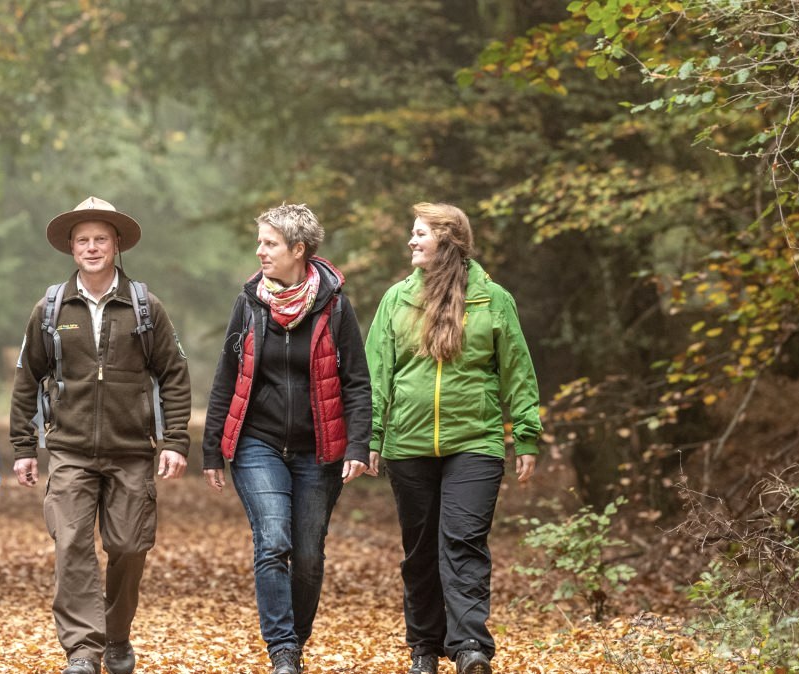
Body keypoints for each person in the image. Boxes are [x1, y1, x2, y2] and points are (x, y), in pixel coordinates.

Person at [9, 196, 192, 674]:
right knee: (71, 543)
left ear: (116, 246)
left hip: (132, 450)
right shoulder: (51, 308)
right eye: (83, 240)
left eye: (101, 239)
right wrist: (25, 449)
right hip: (69, 450)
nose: (92, 248)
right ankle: (83, 651)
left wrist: (175, 440)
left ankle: (116, 635)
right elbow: (27, 378)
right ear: (71, 247)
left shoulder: (144, 306)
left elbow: (173, 374)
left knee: (130, 546)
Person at [364, 202, 544, 674]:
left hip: (476, 443)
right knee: (420, 549)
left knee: (463, 541)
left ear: (448, 240)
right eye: (413, 232)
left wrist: (525, 435)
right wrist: (372, 436)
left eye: (420, 233)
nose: (411, 240)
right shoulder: (397, 300)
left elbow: (517, 372)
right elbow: (377, 374)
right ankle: (424, 646)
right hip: (409, 444)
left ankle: (470, 648)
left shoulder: (493, 300)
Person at [201, 204, 373, 674]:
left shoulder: (334, 305)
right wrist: (213, 447)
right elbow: (226, 376)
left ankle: (296, 639)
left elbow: (357, 380)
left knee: (309, 553)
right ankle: (283, 650)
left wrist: (358, 444)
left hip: (319, 448)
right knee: (273, 540)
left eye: (269, 243)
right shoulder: (250, 302)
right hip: (258, 444)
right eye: (259, 242)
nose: (260, 251)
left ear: (298, 250)